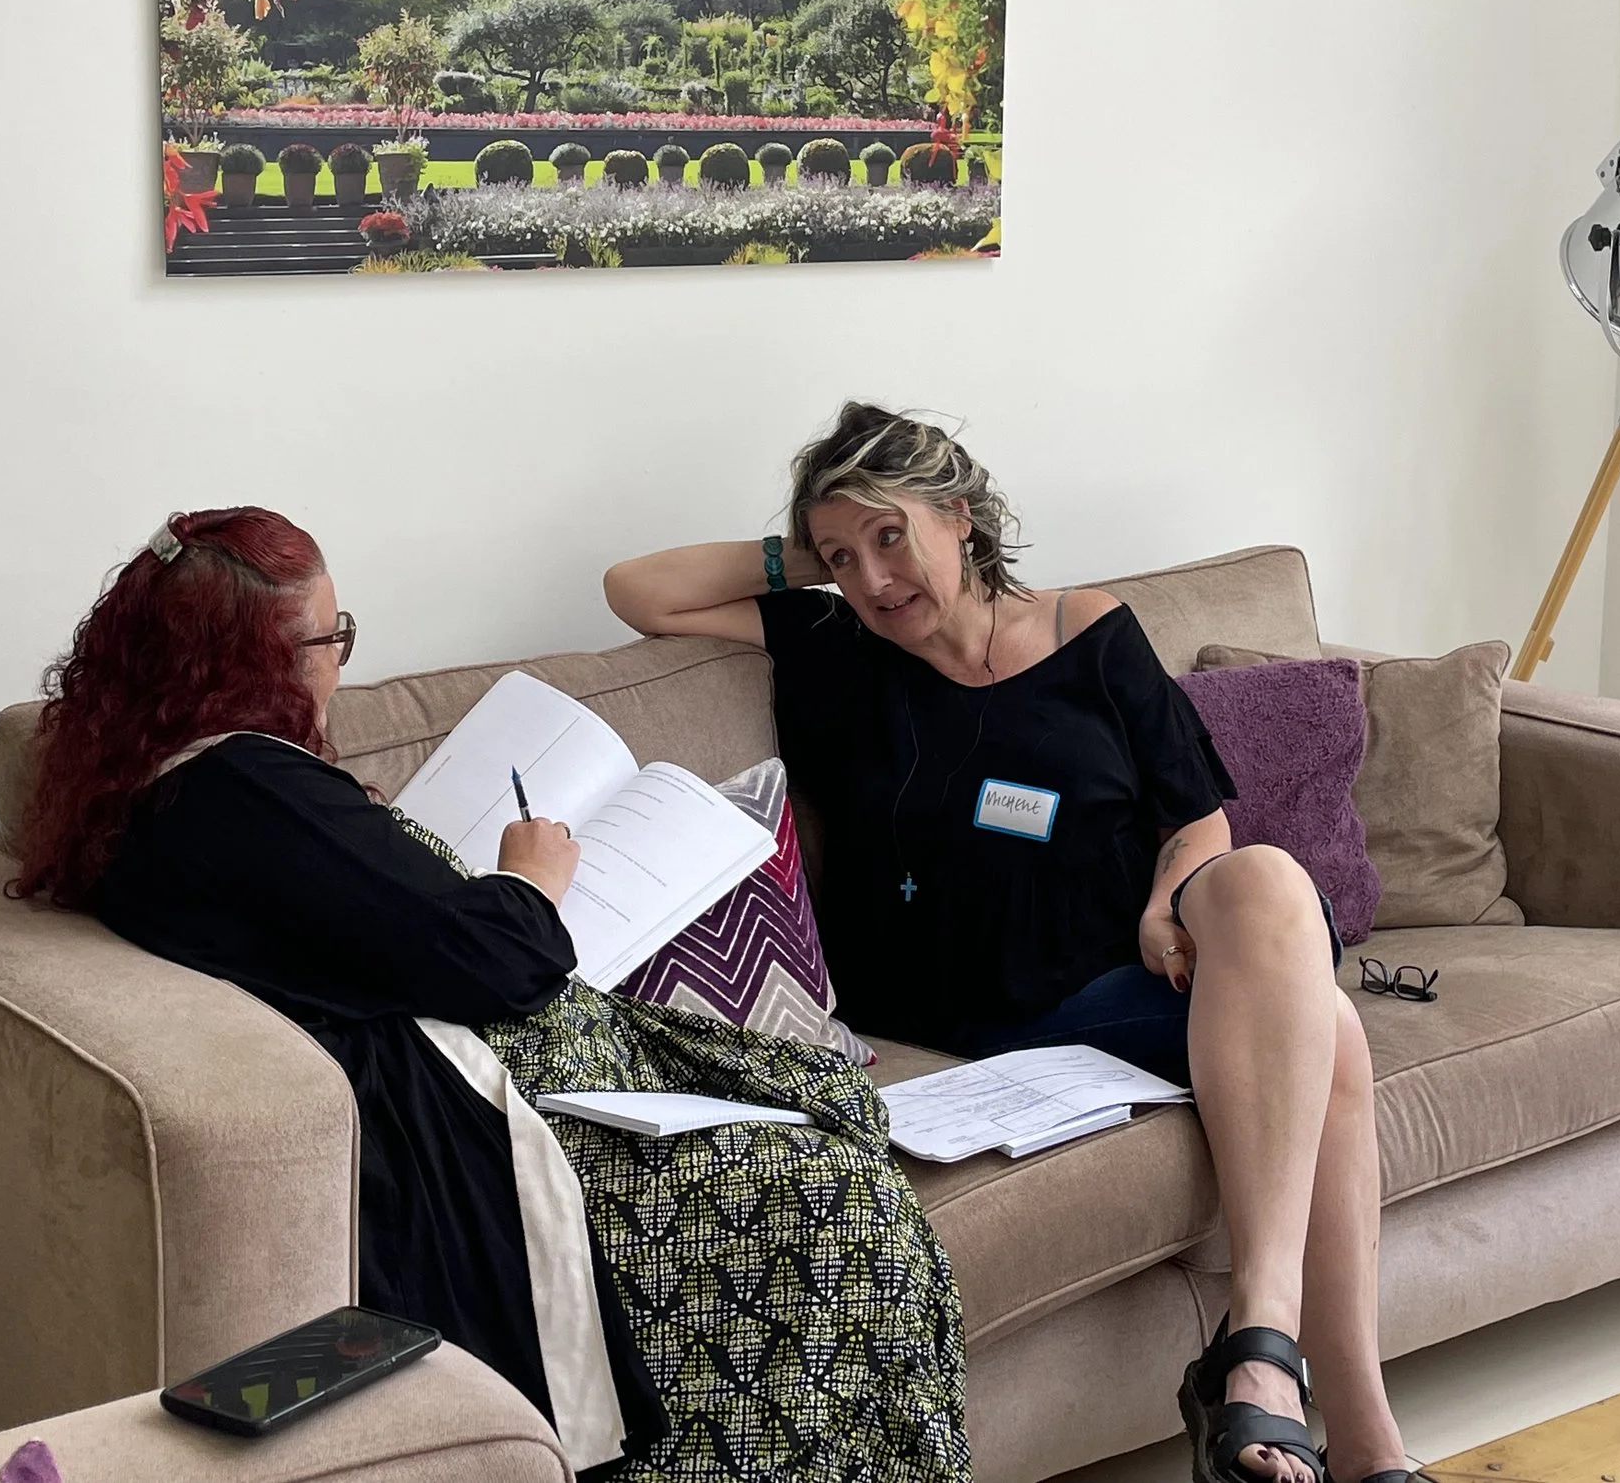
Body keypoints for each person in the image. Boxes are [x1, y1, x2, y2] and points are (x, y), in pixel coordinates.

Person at [11, 507, 967, 1483]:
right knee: (839, 1198)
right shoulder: (251, 784)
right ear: (250, 663)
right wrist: (529, 876)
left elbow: (357, 923)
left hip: (489, 1060)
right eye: (330, 638)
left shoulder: (150, 789)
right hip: (487, 1103)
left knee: (816, 1112)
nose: (338, 663)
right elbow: (495, 960)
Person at [605, 406, 1420, 1483]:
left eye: (891, 537)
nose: (873, 578)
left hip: (1108, 985)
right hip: (954, 1014)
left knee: (1266, 881)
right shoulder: (831, 645)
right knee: (1334, 1033)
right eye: (843, 556)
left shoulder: (1092, 633)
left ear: (961, 515)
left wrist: (1165, 903)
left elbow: (1197, 821)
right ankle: (1335, 1425)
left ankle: (1273, 1362)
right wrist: (816, 551)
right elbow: (637, 590)